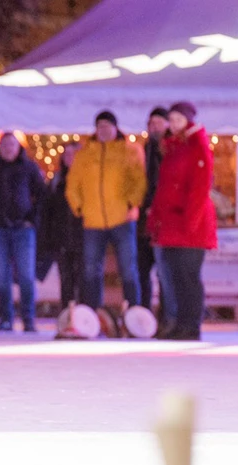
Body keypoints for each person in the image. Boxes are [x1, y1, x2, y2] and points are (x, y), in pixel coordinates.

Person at [67, 110, 147, 317]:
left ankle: (133, 313)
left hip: (122, 219)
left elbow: (139, 180)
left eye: (107, 126)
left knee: (128, 269)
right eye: (99, 126)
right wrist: (79, 207)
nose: (103, 130)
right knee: (91, 269)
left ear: (115, 127)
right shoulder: (84, 154)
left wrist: (132, 203)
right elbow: (73, 184)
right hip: (93, 221)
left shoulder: (129, 150)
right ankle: (92, 314)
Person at [149, 102, 217, 341]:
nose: (175, 124)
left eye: (179, 119)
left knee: (188, 276)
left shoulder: (197, 147)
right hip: (172, 223)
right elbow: (164, 188)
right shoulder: (173, 148)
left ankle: (191, 324)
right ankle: (179, 323)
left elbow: (199, 189)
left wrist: (191, 222)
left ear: (188, 121)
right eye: (172, 119)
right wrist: (156, 219)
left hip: (190, 224)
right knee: (175, 276)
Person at [0, 132, 47, 332]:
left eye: (12, 145)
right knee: (1, 276)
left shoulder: (29, 168)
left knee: (26, 275)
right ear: (0, 148)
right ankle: (5, 318)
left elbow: (41, 195)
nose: (8, 149)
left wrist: (32, 220)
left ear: (18, 148)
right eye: (5, 145)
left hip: (23, 229)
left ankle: (28, 318)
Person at [140, 107, 175, 328]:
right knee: (143, 270)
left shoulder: (172, 149)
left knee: (165, 271)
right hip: (145, 218)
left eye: (158, 123)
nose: (154, 127)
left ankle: (167, 318)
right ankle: (144, 318)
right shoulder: (146, 149)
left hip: (165, 218)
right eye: (151, 123)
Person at [42, 141, 84, 308]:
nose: (70, 158)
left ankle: (83, 315)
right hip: (61, 236)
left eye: (73, 155)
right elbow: (48, 210)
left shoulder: (87, 179)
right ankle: (67, 313)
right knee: (66, 278)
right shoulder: (57, 180)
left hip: (82, 236)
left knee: (82, 278)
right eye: (67, 155)